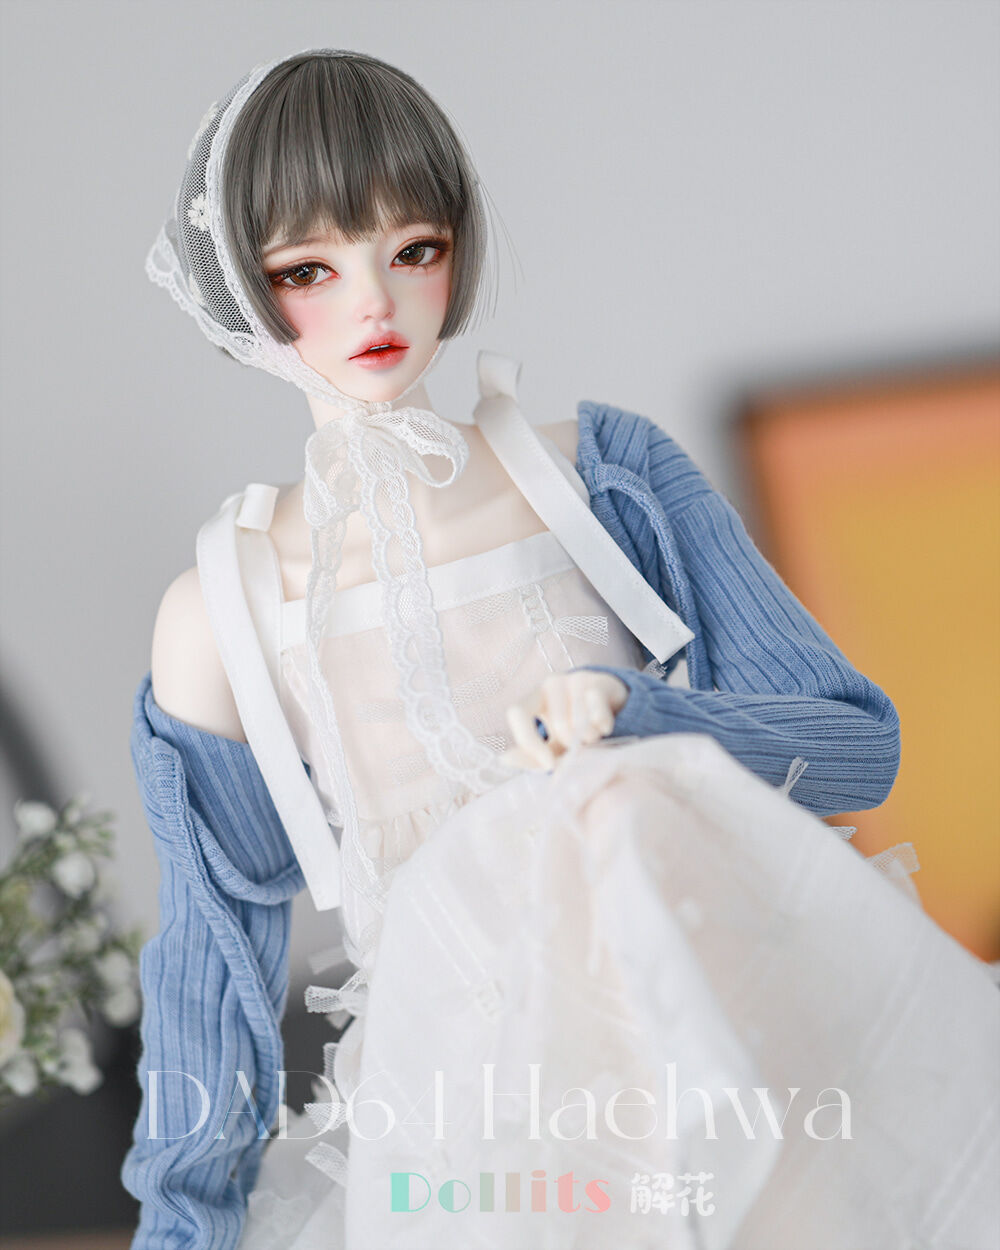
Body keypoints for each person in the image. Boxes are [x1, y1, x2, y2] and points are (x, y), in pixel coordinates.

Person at [123, 47, 1000, 1250]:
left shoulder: (599, 478)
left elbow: (856, 745)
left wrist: (644, 720)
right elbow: (212, 971)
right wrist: (183, 1227)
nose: (375, 305)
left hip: (718, 1032)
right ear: (237, 287)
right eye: (309, 271)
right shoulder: (223, 604)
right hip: (469, 1119)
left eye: (412, 249)